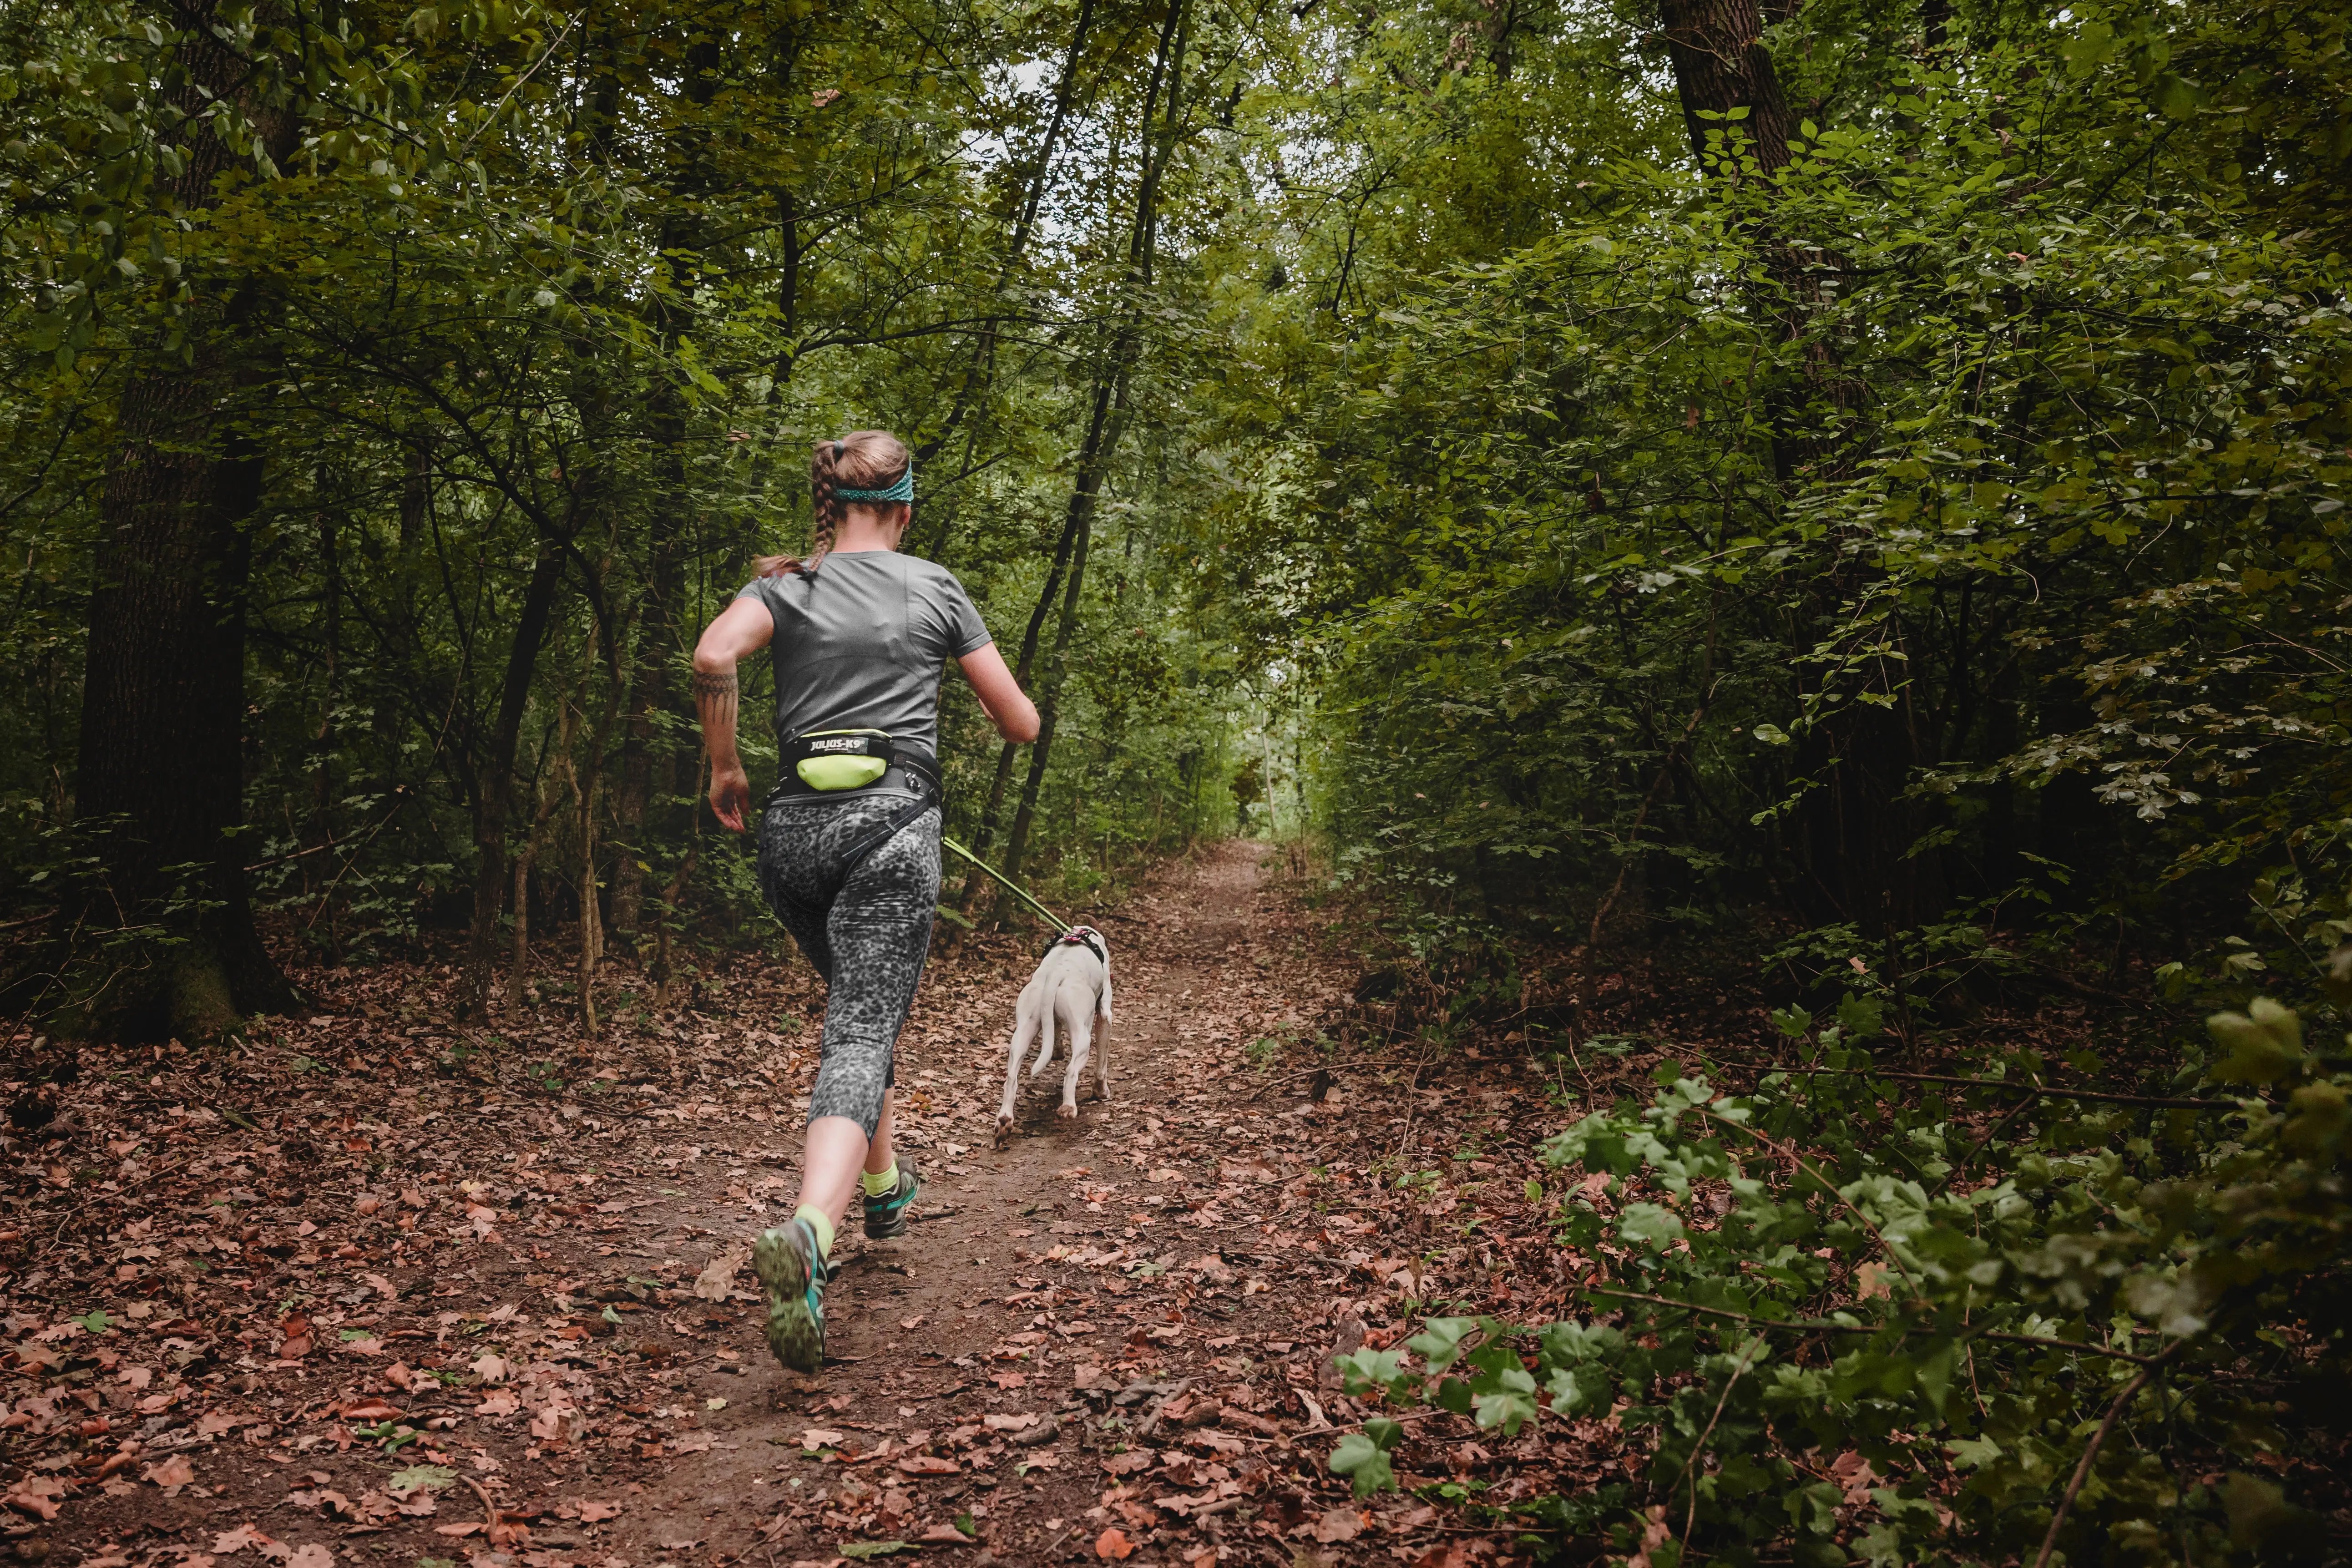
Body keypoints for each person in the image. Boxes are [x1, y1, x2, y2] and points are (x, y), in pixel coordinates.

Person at [690, 430, 1039, 1372]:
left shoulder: (786, 585)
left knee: (861, 1013)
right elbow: (1021, 721)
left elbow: (714, 654)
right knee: (858, 1031)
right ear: (906, 506)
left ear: (831, 503)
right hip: (890, 834)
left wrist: (726, 766)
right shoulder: (933, 586)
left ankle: (882, 1187)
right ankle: (809, 1235)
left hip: (791, 838)